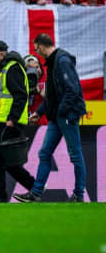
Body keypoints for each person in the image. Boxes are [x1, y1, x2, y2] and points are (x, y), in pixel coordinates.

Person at [15, 34, 87, 202]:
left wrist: (61, 111)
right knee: (45, 153)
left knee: (75, 155)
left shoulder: (62, 61)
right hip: (57, 117)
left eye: (36, 48)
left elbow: (73, 90)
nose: (35, 51)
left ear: (41, 46)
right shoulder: (55, 62)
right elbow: (52, 96)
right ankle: (36, 193)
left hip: (66, 116)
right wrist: (40, 112)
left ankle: (79, 194)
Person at [0, 40, 36, 203]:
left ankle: (2, 196)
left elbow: (20, 96)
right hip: (2, 123)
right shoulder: (2, 70)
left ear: (1, 54)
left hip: (10, 123)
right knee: (6, 161)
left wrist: (12, 119)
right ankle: (34, 188)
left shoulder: (12, 69)